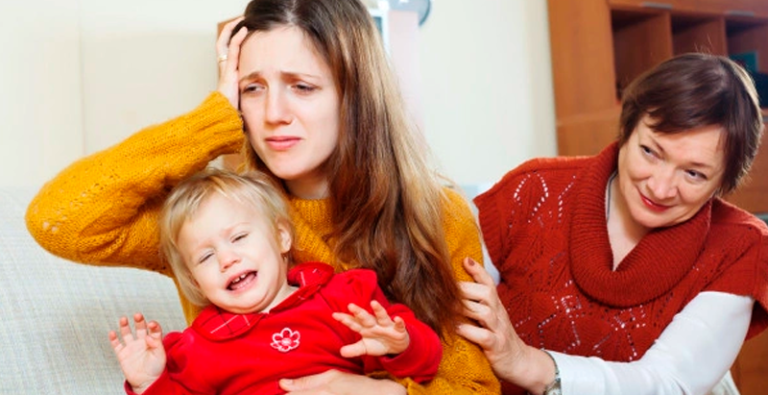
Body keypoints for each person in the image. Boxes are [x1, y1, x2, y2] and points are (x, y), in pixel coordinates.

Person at [24, 0, 499, 393]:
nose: (273, 113)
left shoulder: (436, 213)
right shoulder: (214, 222)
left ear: (354, 95)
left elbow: (473, 385)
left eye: (302, 86)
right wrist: (210, 122)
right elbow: (58, 219)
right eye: (253, 88)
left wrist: (385, 391)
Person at [457, 52, 768, 395]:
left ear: (723, 183)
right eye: (650, 152)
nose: (660, 188)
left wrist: (527, 363)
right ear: (627, 129)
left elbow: (667, 383)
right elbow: (444, 311)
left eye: (694, 174)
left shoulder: (741, 247)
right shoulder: (532, 189)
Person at [109, 169, 442, 395]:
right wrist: (151, 382)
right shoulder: (199, 348)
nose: (227, 259)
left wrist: (401, 345)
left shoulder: (343, 299)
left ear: (282, 237)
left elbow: (427, 364)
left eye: (239, 237)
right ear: (194, 281)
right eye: (206, 257)